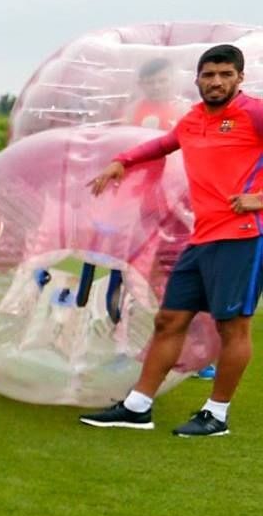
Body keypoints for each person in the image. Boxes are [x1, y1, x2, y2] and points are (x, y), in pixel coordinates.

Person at [82, 43, 262, 437]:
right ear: (197, 79)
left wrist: (260, 199)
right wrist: (122, 161)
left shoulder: (254, 113)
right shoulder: (193, 118)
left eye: (225, 74)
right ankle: (137, 407)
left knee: (232, 328)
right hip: (201, 238)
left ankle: (216, 415)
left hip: (244, 236)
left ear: (239, 78)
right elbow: (163, 145)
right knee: (169, 319)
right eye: (209, 75)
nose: (216, 82)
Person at [123, 58, 186, 131]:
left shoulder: (182, 109)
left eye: (163, 81)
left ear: (173, 81)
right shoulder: (132, 110)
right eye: (150, 82)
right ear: (140, 84)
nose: (156, 87)